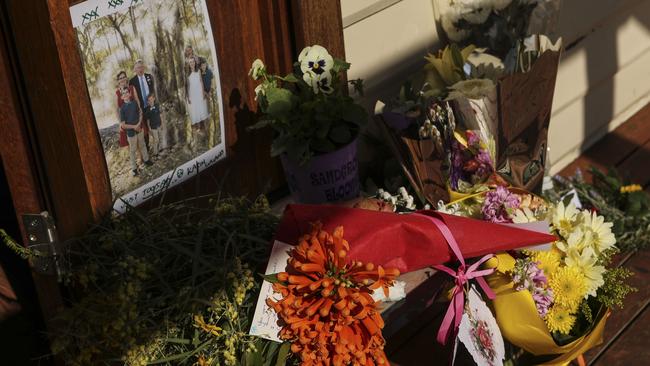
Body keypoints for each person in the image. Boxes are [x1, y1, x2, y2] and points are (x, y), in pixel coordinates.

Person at [120, 88, 153, 176]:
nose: (126, 94)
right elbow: (123, 125)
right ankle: (134, 168)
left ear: (130, 94)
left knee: (142, 145)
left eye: (127, 92)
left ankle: (146, 160)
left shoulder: (134, 103)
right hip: (131, 133)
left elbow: (140, 113)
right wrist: (134, 127)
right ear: (122, 97)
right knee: (133, 150)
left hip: (139, 128)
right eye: (124, 93)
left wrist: (138, 124)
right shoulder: (122, 109)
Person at [115, 70, 141, 149]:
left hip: (135, 117)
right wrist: (120, 123)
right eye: (120, 78)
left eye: (123, 77)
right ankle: (136, 157)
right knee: (130, 142)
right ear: (118, 81)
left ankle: (142, 157)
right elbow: (116, 109)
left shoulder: (132, 88)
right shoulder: (117, 93)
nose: (122, 79)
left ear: (126, 78)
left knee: (140, 138)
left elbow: (137, 101)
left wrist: (139, 112)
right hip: (126, 121)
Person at [185, 56, 209, 130]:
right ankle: (198, 127)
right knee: (195, 109)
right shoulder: (188, 74)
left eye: (193, 62)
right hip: (192, 93)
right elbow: (188, 86)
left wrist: (203, 92)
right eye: (190, 62)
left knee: (201, 108)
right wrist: (188, 96)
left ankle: (205, 126)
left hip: (199, 92)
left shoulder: (198, 71)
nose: (192, 63)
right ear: (189, 64)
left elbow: (201, 82)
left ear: (195, 63)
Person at [144, 92, 164, 158]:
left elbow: (160, 115)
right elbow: (148, 120)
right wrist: (149, 128)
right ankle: (155, 153)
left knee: (161, 137)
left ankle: (160, 150)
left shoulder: (157, 105)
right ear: (147, 102)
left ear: (154, 99)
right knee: (156, 140)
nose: (150, 101)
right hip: (153, 127)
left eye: (151, 99)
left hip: (159, 124)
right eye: (149, 100)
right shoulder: (147, 110)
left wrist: (162, 123)